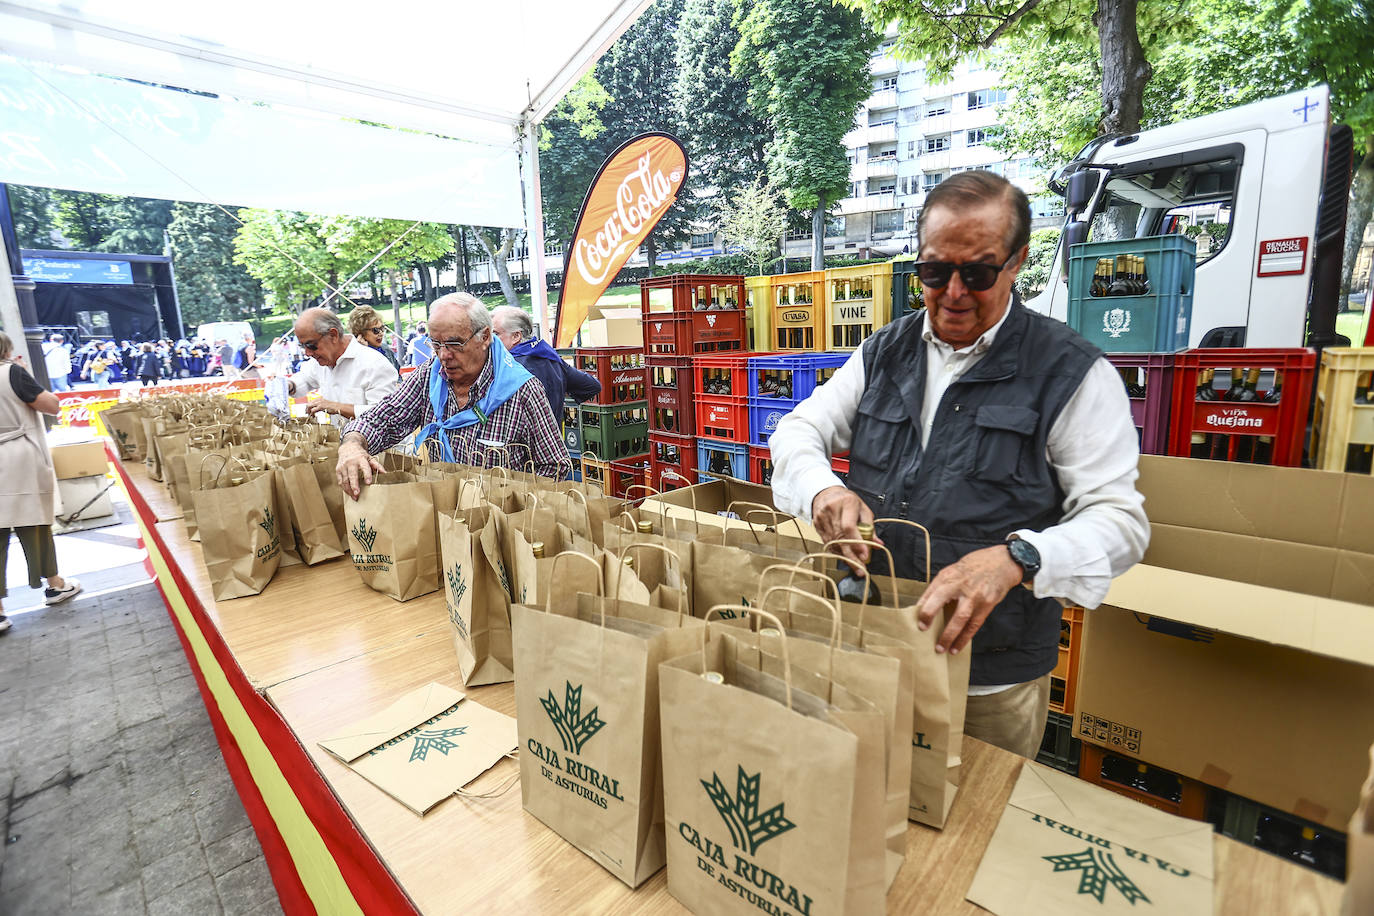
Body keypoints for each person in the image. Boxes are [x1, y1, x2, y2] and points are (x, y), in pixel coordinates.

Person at [769, 170, 1149, 759]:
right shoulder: (884, 353)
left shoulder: (1070, 372)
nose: (952, 292)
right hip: (867, 644)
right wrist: (822, 490)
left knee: (971, 838)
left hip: (986, 677)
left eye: (976, 273)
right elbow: (799, 429)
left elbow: (1121, 522)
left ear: (1017, 261)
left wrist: (1021, 557)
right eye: (934, 270)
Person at [337, 293, 571, 496]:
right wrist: (352, 444)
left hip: (503, 523)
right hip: (447, 516)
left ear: (485, 337)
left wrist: (515, 507)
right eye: (436, 344)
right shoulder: (430, 375)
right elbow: (383, 419)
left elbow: (555, 467)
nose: (443, 355)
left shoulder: (523, 391)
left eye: (454, 344)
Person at [0, 332, 83, 632]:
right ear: (6, 350)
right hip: (17, 457)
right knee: (34, 522)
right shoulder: (12, 373)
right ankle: (54, 584)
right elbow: (51, 405)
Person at [285, 308, 399, 426]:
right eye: (303, 346)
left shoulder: (375, 364)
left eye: (311, 345)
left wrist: (336, 407)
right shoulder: (320, 362)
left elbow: (384, 417)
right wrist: (288, 385)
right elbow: (304, 378)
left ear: (333, 335)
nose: (307, 353)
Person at [491, 306, 601, 420]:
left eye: (495, 333)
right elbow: (592, 386)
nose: (490, 339)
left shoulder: (507, 366)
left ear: (516, 336)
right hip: (553, 435)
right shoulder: (551, 357)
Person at [347, 306, 401, 374]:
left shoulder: (385, 349)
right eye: (375, 330)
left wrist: (398, 383)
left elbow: (397, 375)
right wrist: (364, 352)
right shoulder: (352, 355)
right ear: (360, 333)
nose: (381, 333)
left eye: (382, 328)